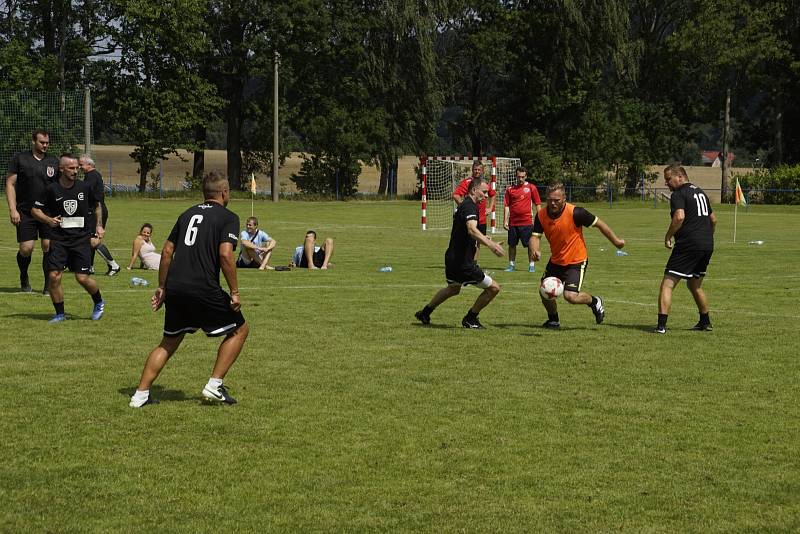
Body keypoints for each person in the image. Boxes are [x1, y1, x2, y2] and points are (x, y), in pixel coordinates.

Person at [129, 172, 248, 408]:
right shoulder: (228, 217)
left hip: (176, 287)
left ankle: (140, 395)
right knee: (239, 330)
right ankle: (214, 385)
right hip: (203, 287)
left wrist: (162, 287)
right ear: (224, 192)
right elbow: (226, 254)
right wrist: (234, 291)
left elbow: (166, 251)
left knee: (168, 342)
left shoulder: (187, 214)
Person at [531, 182, 625, 329]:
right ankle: (553, 320)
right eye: (549, 200)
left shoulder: (576, 212)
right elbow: (535, 236)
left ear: (564, 198)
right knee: (545, 291)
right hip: (556, 260)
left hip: (576, 260)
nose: (553, 203)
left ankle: (594, 302)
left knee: (571, 296)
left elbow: (599, 224)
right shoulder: (541, 215)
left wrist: (617, 242)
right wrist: (535, 250)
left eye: (557, 200)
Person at [415, 177, 505, 329]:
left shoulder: (467, 205)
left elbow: (465, 231)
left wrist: (485, 238)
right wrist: (491, 245)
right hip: (463, 262)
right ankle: (470, 318)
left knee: (453, 288)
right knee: (494, 288)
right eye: (484, 192)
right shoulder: (470, 207)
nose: (487, 195)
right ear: (474, 190)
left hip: (452, 257)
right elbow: (471, 229)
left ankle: (425, 312)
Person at [31, 154, 105, 323]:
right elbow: (35, 210)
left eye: (77, 168)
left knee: (82, 278)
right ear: (61, 169)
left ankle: (99, 302)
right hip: (58, 239)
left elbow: (97, 206)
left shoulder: (84, 187)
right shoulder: (51, 189)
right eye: (71, 168)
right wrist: (48, 220)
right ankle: (59, 314)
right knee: (54, 276)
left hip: (81, 239)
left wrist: (99, 226)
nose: (75, 171)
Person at [654, 165, 717, 334]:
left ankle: (661, 326)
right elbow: (713, 219)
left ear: (680, 177)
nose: (666, 183)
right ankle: (705, 321)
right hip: (706, 244)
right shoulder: (700, 192)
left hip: (689, 244)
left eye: (668, 179)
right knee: (694, 284)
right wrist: (706, 237)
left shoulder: (679, 194)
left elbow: (679, 216)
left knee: (667, 284)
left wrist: (668, 236)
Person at [5, 129, 59, 294]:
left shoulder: (53, 161)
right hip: (25, 211)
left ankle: (47, 286)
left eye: (47, 142)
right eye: (42, 142)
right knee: (26, 249)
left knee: (47, 245)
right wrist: (13, 209)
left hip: (47, 212)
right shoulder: (20, 159)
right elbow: (10, 184)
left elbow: (58, 187)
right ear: (33, 141)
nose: (45, 145)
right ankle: (24, 276)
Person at [79, 154, 120, 275]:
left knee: (93, 240)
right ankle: (89, 266)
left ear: (89, 165)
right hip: (95, 210)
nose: (79, 167)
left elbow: (86, 191)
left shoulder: (91, 176)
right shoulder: (94, 175)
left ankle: (113, 265)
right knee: (89, 239)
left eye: (81, 165)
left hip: (96, 210)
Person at [453, 162, 497, 260]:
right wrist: (464, 207)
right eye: (475, 169)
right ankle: (466, 262)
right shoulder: (467, 182)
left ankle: (474, 263)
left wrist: (490, 208)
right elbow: (456, 195)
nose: (477, 171)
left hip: (481, 219)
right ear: (472, 170)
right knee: (469, 242)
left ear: (482, 171)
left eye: (479, 170)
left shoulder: (484, 184)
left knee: (477, 243)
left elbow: (493, 194)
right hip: (470, 218)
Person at [503, 166, 542, 272]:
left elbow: (537, 203)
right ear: (515, 176)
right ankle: (511, 265)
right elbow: (507, 205)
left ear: (526, 176)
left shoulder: (531, 188)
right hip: (513, 223)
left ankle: (531, 265)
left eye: (522, 177)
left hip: (527, 222)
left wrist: (541, 219)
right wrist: (505, 220)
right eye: (518, 177)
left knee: (530, 244)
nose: (520, 179)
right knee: (511, 245)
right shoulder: (510, 189)